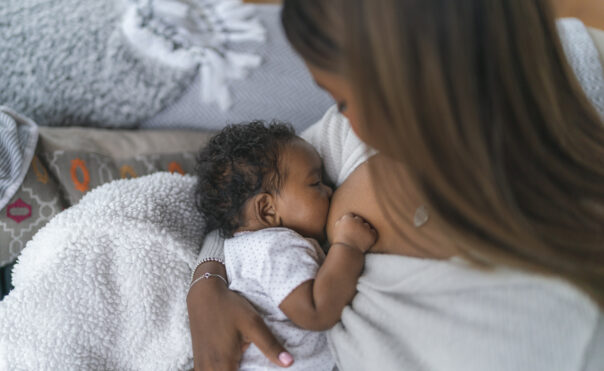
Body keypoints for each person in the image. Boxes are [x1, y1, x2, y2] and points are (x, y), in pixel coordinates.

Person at [187, 0, 604, 370]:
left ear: (410, 84)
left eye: (346, 101)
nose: (339, 116)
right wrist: (207, 284)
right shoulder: (351, 142)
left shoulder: (548, 332)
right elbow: (242, 197)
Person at [194, 121, 377, 370]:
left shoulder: (242, 249)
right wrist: (348, 246)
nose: (330, 190)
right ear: (267, 210)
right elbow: (315, 310)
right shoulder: (276, 248)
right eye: (315, 183)